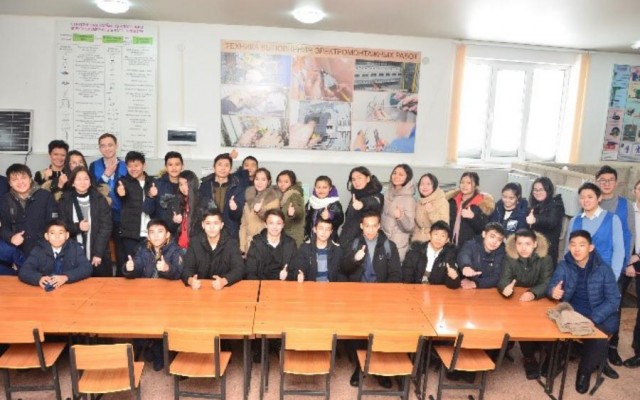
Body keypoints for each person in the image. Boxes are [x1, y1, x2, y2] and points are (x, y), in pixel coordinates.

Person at [547, 230, 620, 394]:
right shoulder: (564, 265)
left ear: (590, 247)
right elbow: (551, 286)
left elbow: (614, 299)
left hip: (599, 314)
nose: (576, 249)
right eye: (573, 245)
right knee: (547, 325)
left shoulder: (604, 269)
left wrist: (593, 318)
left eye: (581, 245)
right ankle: (557, 358)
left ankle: (585, 371)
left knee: (598, 339)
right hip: (573, 312)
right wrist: (553, 291)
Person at [341, 210, 400, 389]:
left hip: (380, 298)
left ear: (379, 226)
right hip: (358, 296)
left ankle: (378, 370)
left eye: (374, 226)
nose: (370, 230)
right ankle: (359, 367)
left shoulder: (389, 245)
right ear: (361, 226)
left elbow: (396, 275)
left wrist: (383, 296)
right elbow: (344, 269)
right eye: (367, 226)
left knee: (379, 333)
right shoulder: (354, 243)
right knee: (358, 333)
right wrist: (355, 259)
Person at [123, 219, 183, 371]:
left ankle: (158, 351)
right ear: (148, 236)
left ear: (167, 234)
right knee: (137, 315)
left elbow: (179, 272)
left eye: (160, 232)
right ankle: (146, 345)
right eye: (152, 233)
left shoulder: (175, 250)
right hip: (146, 296)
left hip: (168, 297)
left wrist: (167, 268)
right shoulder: (142, 249)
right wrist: (130, 268)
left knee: (162, 320)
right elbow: (137, 266)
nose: (156, 236)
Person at [497, 229, 553, 379]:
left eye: (527, 244)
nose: (523, 248)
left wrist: (533, 293)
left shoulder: (546, 259)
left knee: (535, 324)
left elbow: (547, 282)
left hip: (537, 299)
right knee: (517, 321)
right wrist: (505, 288)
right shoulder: (510, 257)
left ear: (535, 244)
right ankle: (526, 356)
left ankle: (535, 356)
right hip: (515, 299)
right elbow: (503, 279)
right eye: (520, 243)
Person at [595, 165, 635, 366]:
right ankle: (591, 347)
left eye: (610, 180)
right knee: (593, 304)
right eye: (602, 180)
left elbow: (630, 235)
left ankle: (612, 347)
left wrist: (625, 262)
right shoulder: (591, 200)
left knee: (614, 308)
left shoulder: (625, 205)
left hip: (616, 267)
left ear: (616, 182)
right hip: (594, 266)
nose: (606, 183)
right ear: (596, 182)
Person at [58, 167, 113, 277]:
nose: (82, 182)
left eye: (86, 179)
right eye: (78, 179)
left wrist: (98, 253)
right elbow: (61, 226)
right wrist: (78, 227)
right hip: (72, 254)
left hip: (97, 253)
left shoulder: (100, 199)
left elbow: (106, 227)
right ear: (72, 183)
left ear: (90, 182)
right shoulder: (64, 200)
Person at [89, 133, 128, 272]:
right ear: (99, 148)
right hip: (100, 215)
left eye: (110, 145)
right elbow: (91, 188)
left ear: (116, 146)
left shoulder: (126, 165)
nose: (107, 148)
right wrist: (105, 175)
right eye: (103, 146)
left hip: (121, 215)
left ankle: (121, 278)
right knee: (101, 249)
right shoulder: (94, 166)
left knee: (121, 251)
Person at [0, 164, 58, 257]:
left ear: (30, 179)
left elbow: (54, 223)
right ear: (10, 183)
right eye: (15, 180)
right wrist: (11, 237)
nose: (20, 182)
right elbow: (3, 227)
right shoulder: (5, 200)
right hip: (18, 253)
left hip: (44, 251)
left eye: (23, 178)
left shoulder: (45, 196)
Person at [18, 219, 92, 288]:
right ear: (46, 236)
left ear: (67, 235)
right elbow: (24, 271)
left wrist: (66, 277)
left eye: (61, 233)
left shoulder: (75, 248)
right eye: (52, 233)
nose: (57, 236)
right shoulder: (39, 250)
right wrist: (38, 278)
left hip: (69, 289)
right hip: (44, 292)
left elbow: (87, 268)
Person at [182, 209, 245, 289]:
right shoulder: (195, 243)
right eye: (208, 223)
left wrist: (224, 281)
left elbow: (239, 269)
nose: (212, 227)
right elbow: (187, 269)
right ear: (203, 225)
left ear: (221, 225)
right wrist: (191, 281)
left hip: (225, 290)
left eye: (216, 223)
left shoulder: (231, 243)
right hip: (201, 288)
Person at [199, 152, 250, 240]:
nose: (223, 168)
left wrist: (235, 209)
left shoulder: (238, 187)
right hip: (209, 231)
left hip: (230, 233)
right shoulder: (205, 186)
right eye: (220, 165)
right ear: (214, 167)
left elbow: (238, 216)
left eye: (226, 165)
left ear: (230, 169)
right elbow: (200, 210)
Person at [116, 151, 154, 267]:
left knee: (148, 266)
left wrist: (153, 196)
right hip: (130, 233)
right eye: (130, 166)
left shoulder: (152, 182)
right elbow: (120, 193)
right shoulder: (123, 182)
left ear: (144, 165)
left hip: (150, 233)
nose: (133, 169)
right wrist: (121, 193)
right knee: (131, 265)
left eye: (136, 165)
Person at [402, 220, 460, 288]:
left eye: (443, 236)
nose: (438, 238)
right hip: (414, 290)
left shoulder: (450, 255)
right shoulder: (415, 251)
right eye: (436, 234)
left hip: (436, 293)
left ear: (447, 240)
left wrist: (453, 278)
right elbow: (406, 277)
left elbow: (453, 286)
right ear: (430, 235)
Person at [245, 209, 297, 280]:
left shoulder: (290, 243)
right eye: (271, 223)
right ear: (265, 224)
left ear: (283, 225)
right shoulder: (256, 243)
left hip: (283, 284)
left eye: (278, 223)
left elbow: (295, 271)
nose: (275, 227)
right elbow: (250, 272)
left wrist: (287, 276)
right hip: (261, 283)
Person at [448, 171, 495, 248]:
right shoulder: (452, 200)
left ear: (476, 185)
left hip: (470, 247)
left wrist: (473, 217)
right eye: (462, 182)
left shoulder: (482, 203)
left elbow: (484, 228)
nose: (464, 185)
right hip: (450, 244)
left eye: (469, 183)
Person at [340, 166, 383, 248]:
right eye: (353, 179)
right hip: (347, 241)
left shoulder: (377, 195)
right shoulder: (355, 195)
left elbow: (373, 202)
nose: (356, 182)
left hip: (363, 243)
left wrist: (362, 204)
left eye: (359, 178)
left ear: (368, 179)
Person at [239, 168, 280, 254]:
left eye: (263, 179)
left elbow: (272, 221)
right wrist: (242, 247)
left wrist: (259, 211)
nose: (259, 182)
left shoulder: (273, 199)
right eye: (257, 179)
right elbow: (243, 225)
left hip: (265, 246)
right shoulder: (249, 198)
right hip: (249, 245)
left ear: (268, 182)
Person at [289, 217, 344, 282]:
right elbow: (300, 267)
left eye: (327, 229)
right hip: (311, 285)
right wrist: (300, 274)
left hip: (330, 286)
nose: (324, 232)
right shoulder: (305, 248)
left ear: (331, 232)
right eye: (321, 228)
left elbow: (341, 273)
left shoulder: (337, 250)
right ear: (315, 229)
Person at [526, 177, 565, 263]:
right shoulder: (535, 205)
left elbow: (551, 221)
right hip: (533, 248)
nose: (537, 192)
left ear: (548, 190)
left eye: (541, 190)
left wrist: (535, 220)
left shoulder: (556, 205)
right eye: (535, 190)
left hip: (548, 252)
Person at [381, 164, 416, 261]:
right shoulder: (387, 193)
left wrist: (401, 217)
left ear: (407, 178)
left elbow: (410, 227)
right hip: (383, 241)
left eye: (401, 174)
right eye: (395, 173)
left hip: (397, 245)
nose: (396, 176)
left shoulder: (409, 199)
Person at [143, 151, 183, 235]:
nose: (174, 168)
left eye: (177, 164)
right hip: (161, 233)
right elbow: (147, 210)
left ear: (182, 166)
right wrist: (151, 196)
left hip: (181, 233)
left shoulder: (186, 185)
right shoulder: (157, 184)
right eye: (170, 165)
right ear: (166, 167)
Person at [457, 222, 506, 289]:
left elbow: (497, 277)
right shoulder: (471, 245)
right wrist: (466, 266)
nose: (495, 242)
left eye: (499, 240)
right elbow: (464, 255)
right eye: (492, 236)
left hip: (488, 290)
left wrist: (475, 284)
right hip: (466, 287)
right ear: (484, 234)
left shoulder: (501, 252)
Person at [623, 178, 640, 368]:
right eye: (639, 189)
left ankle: (638, 351)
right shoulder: (628, 210)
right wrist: (628, 259)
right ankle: (610, 346)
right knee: (616, 302)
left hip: (637, 258)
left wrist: (637, 256)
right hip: (625, 260)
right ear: (634, 190)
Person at [304, 175, 344, 242]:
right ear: (315, 188)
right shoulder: (311, 201)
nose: (321, 190)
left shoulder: (334, 203)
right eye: (318, 187)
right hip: (311, 239)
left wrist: (330, 216)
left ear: (330, 188)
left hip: (328, 241)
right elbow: (306, 220)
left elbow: (340, 220)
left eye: (324, 187)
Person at [412, 173, 449, 243]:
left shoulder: (441, 201)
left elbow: (444, 226)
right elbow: (417, 225)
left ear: (434, 185)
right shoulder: (419, 202)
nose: (425, 187)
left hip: (435, 242)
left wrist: (431, 212)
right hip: (419, 241)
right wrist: (415, 238)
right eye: (422, 184)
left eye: (428, 184)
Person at [174, 170, 201, 251]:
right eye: (181, 184)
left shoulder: (203, 202)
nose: (183, 187)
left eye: (186, 183)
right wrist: (174, 221)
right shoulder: (178, 201)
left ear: (193, 183)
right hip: (179, 247)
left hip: (196, 248)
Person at [276, 170, 305, 246]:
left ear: (292, 183)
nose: (282, 184)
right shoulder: (282, 195)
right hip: (285, 234)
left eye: (286, 182)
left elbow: (300, 212)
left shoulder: (294, 194)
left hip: (293, 236)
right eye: (280, 181)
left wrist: (292, 214)